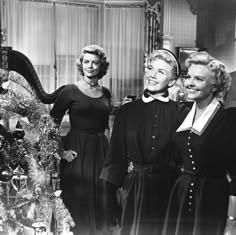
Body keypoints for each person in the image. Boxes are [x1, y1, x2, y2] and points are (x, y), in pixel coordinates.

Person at [100, 49, 188, 235]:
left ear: (171, 81)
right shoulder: (127, 111)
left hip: (169, 190)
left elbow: (187, 158)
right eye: (150, 68)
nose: (152, 75)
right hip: (135, 191)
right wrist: (110, 202)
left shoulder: (181, 113)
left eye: (160, 72)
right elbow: (115, 159)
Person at [161, 51, 236, 235]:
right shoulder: (182, 113)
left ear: (214, 86)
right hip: (182, 193)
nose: (190, 83)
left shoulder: (228, 120)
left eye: (199, 79)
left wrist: (231, 220)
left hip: (212, 198)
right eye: (188, 77)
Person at [50, 45, 111, 234]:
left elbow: (106, 125)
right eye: (86, 62)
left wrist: (110, 154)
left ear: (101, 66)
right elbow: (52, 123)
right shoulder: (70, 90)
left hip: (99, 150)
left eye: (95, 62)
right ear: (81, 65)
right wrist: (61, 151)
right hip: (76, 148)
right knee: (76, 196)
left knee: (100, 196)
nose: (90, 66)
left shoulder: (106, 93)